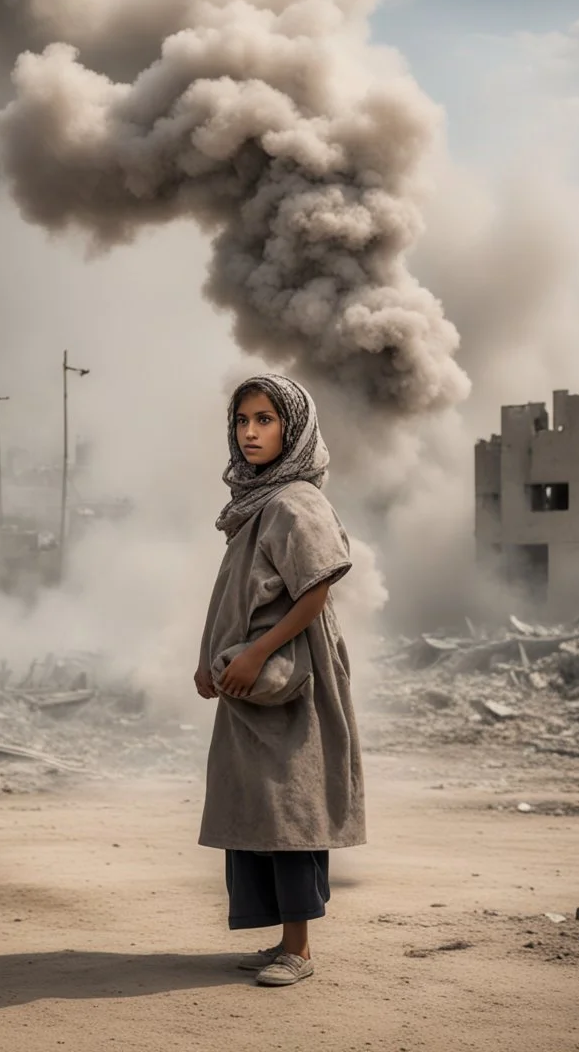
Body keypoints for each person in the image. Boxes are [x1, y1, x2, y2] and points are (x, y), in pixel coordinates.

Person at [194, 373, 365, 988]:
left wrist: (255, 653)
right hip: (250, 681)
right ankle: (279, 940)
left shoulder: (296, 500)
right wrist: (209, 657)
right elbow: (237, 593)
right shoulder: (255, 501)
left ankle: (300, 950)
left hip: (290, 679)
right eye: (242, 421)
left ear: (292, 428)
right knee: (258, 811)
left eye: (265, 420)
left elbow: (314, 591)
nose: (249, 433)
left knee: (292, 811)